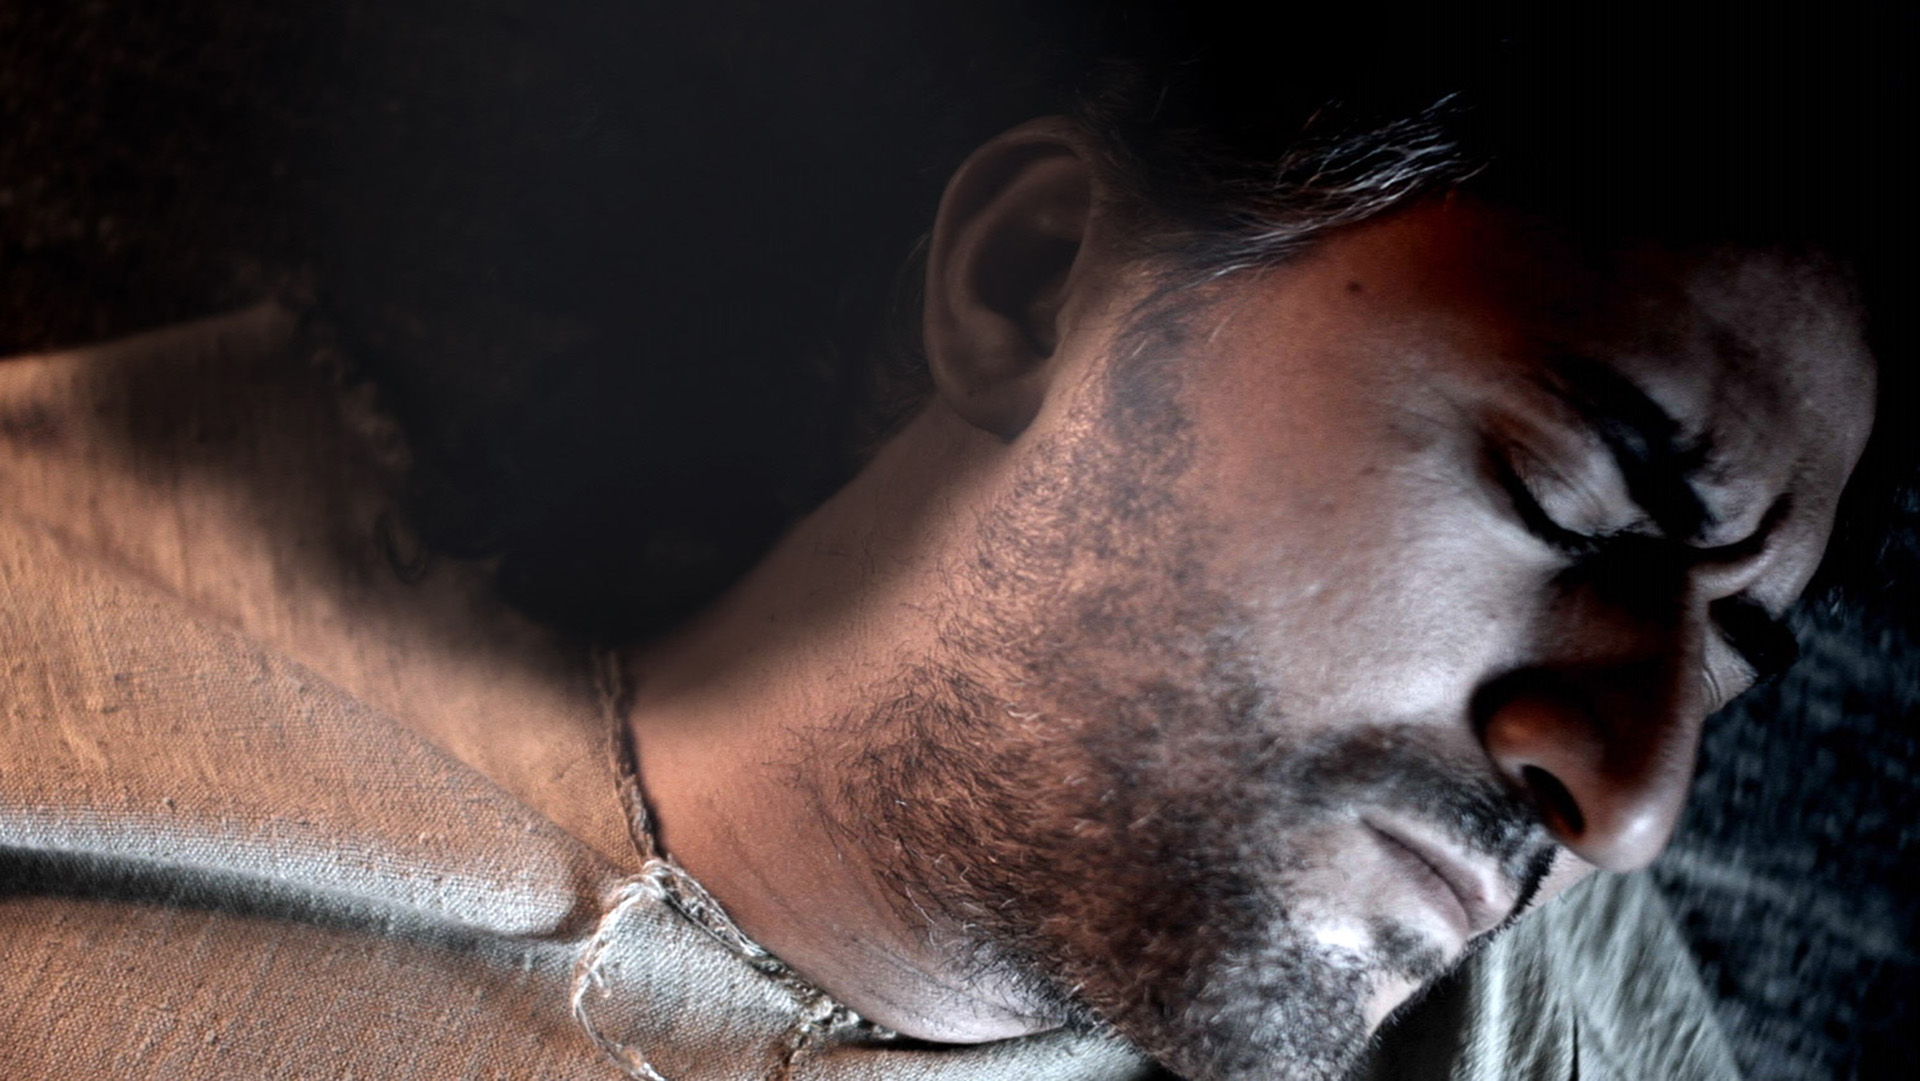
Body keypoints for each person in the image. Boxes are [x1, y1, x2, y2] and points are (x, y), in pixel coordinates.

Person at [0, 7, 1899, 1081]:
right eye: (1570, 486)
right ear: (1033, 283)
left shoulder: (1517, 1010)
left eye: (1728, 666)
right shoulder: (86, 714)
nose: (1634, 800)